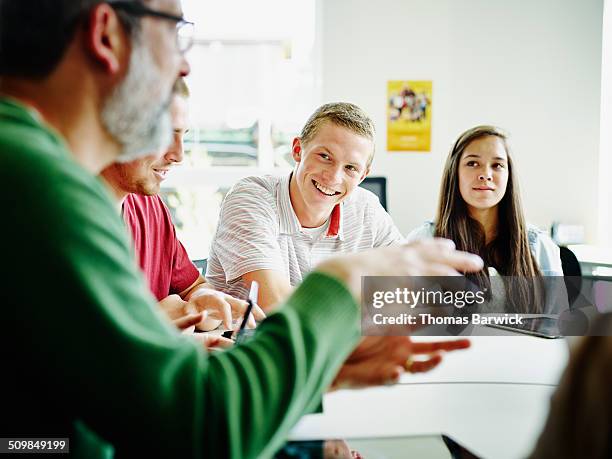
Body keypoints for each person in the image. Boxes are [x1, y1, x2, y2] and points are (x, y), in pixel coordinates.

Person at [0, 1, 482, 457]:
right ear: (106, 35)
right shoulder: (34, 180)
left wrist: (319, 369)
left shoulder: (38, 168)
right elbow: (198, 428)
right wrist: (339, 287)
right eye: (176, 35)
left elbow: (115, 400)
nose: (184, 68)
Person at [207, 102, 404, 309]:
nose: (333, 177)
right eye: (325, 157)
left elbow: (412, 290)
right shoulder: (251, 198)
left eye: (350, 168)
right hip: (247, 339)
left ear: (363, 175)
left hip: (337, 340)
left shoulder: (366, 209)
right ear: (298, 150)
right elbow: (277, 304)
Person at [101, 79, 257, 332]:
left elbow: (192, 287)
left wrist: (201, 302)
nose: (178, 155)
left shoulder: (150, 207)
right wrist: (156, 325)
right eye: (164, 135)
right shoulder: (64, 219)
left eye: (182, 135)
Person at [406, 125, 564, 314]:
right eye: (472, 163)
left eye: (497, 165)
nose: (485, 175)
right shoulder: (423, 241)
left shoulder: (540, 246)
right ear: (454, 172)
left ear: (509, 176)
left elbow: (557, 327)